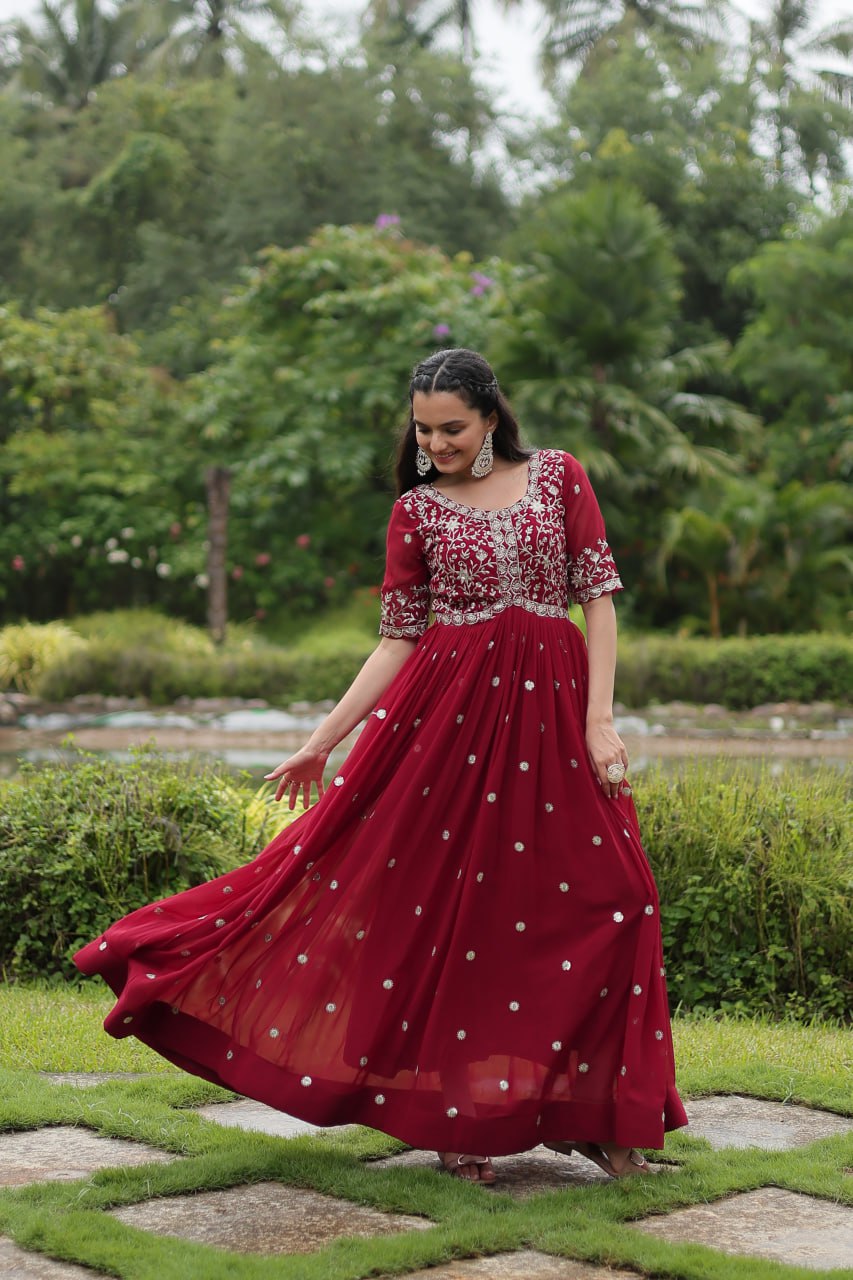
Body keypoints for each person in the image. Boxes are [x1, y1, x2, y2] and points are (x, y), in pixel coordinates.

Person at [75, 348, 688, 1186]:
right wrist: (321, 740)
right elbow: (398, 639)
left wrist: (601, 721)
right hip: (450, 729)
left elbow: (598, 600)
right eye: (422, 427)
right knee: (459, 919)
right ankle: (460, 1123)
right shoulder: (418, 513)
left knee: (621, 899)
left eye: (451, 427)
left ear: (490, 415)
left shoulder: (559, 478)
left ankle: (597, 1114)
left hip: (555, 719)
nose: (434, 441)